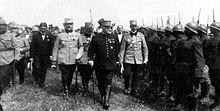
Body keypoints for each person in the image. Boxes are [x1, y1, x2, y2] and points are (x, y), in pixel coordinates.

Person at [88, 20, 119, 109]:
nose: (109, 29)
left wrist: (117, 60)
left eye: (110, 27)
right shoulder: (96, 38)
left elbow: (117, 50)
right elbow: (91, 50)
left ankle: (106, 100)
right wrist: (91, 59)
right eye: (106, 27)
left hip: (111, 64)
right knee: (100, 81)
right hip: (99, 64)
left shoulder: (114, 37)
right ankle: (102, 94)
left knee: (108, 81)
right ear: (102, 27)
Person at [175, 22, 205, 111]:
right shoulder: (183, 41)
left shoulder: (196, 43)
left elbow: (200, 60)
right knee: (184, 90)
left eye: (186, 29)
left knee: (193, 93)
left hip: (191, 73)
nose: (184, 31)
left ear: (191, 31)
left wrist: (198, 75)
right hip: (183, 71)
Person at [52, 18, 83, 95]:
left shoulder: (77, 35)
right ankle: (65, 89)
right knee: (64, 75)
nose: (69, 26)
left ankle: (68, 87)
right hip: (63, 58)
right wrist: (54, 60)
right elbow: (55, 48)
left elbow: (81, 46)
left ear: (73, 25)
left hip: (73, 58)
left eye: (71, 24)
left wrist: (78, 55)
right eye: (67, 24)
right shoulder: (60, 35)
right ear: (64, 25)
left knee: (70, 74)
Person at [119, 20, 148, 96]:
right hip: (128, 59)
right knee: (127, 74)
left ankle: (133, 89)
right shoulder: (126, 36)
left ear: (137, 27)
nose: (134, 28)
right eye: (132, 26)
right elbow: (122, 49)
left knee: (136, 76)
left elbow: (145, 48)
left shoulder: (141, 35)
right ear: (130, 27)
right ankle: (126, 87)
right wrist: (121, 61)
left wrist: (146, 58)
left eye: (135, 26)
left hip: (138, 59)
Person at [30, 22, 54, 88]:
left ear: (46, 28)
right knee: (37, 68)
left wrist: (51, 55)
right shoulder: (36, 36)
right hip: (37, 56)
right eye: (42, 28)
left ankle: (42, 83)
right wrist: (31, 56)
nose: (43, 29)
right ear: (40, 28)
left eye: (44, 28)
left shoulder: (49, 35)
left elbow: (52, 46)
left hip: (46, 56)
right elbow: (32, 46)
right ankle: (37, 80)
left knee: (44, 69)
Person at [0, 17, 17, 91]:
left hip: (7, 59)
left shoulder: (11, 35)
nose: (0, 27)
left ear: (6, 26)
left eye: (2, 25)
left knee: (4, 75)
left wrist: (16, 57)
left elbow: (17, 47)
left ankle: (5, 89)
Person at [206, 22, 220, 110]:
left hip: (218, 66)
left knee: (218, 85)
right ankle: (217, 101)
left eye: (212, 28)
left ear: (216, 30)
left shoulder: (215, 40)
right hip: (213, 66)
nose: (210, 30)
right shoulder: (211, 40)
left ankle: (218, 103)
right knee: (216, 84)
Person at [78, 22, 94, 92]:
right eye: (88, 29)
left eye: (91, 29)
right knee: (84, 73)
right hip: (83, 58)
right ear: (85, 29)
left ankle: (86, 83)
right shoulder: (81, 37)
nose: (90, 30)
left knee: (89, 74)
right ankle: (85, 87)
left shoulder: (94, 36)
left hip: (92, 58)